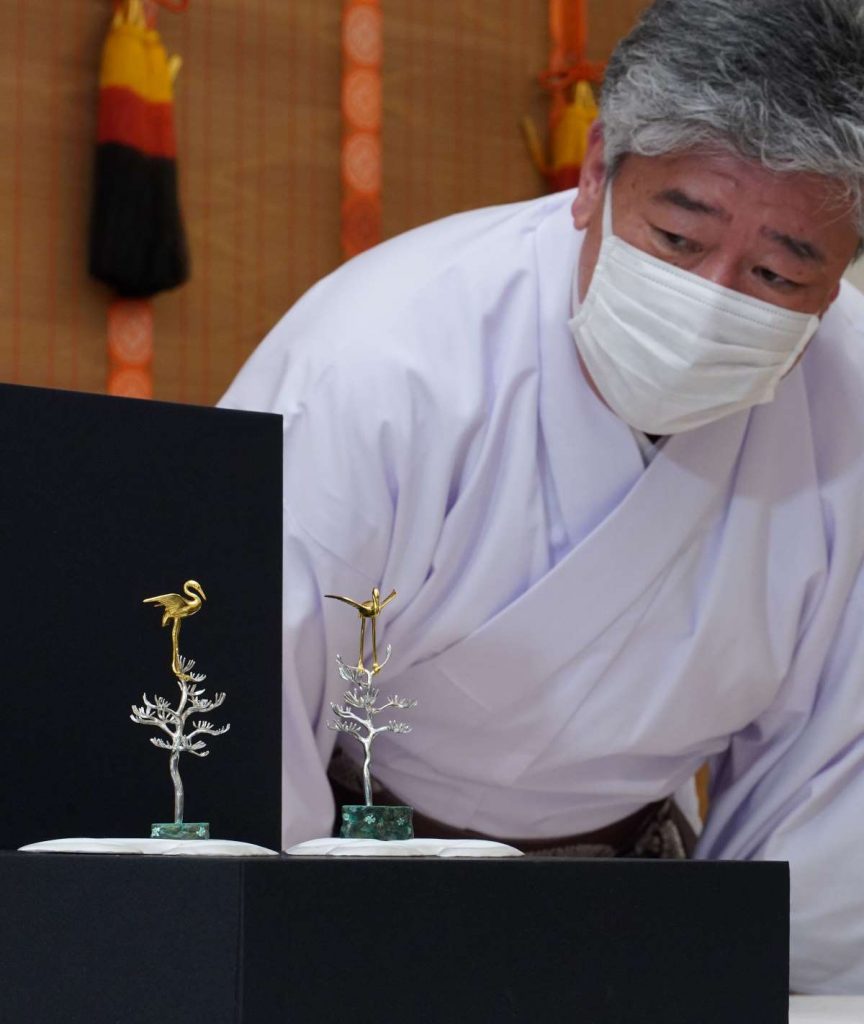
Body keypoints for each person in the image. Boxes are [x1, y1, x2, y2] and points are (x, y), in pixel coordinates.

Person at [220, 0, 864, 993]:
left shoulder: (851, 400)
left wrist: (783, 988)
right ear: (597, 171)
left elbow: (836, 776)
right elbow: (246, 702)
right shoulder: (381, 359)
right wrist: (287, 956)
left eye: (779, 273)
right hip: (356, 865)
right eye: (681, 239)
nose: (714, 302)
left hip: (644, 891)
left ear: (842, 273)